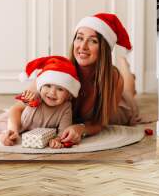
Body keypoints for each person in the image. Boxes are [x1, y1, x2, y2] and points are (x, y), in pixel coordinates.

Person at [58, 12, 141, 145]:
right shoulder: (59, 71)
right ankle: (126, 70)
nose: (83, 47)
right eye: (79, 38)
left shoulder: (113, 78)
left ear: (103, 49)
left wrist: (81, 128)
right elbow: (22, 106)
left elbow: (100, 123)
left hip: (117, 106)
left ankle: (125, 67)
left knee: (129, 95)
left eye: (93, 41)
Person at [0, 56, 81, 147]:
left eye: (60, 89)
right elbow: (16, 109)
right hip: (19, 123)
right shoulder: (36, 97)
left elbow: (63, 130)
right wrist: (13, 130)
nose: (52, 92)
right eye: (48, 86)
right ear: (40, 87)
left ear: (69, 95)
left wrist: (57, 139)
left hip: (36, 134)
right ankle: (6, 133)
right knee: (0, 129)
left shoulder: (66, 107)